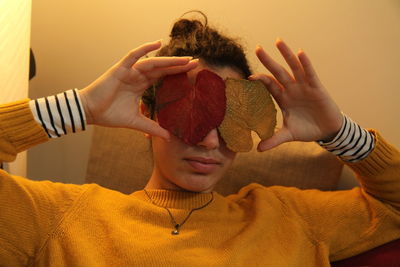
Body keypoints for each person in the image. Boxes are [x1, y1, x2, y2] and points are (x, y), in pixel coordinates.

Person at [1, 15, 399, 266]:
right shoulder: (63, 217)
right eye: (192, 117)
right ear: (148, 111)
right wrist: (82, 107)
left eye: (229, 119)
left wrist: (339, 132)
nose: (210, 141)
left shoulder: (290, 218)